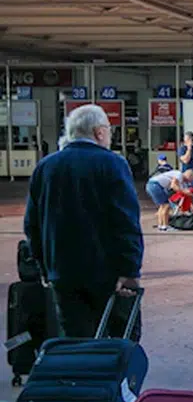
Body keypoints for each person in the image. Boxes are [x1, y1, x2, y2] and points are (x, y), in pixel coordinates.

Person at [24, 105, 142, 338]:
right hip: (106, 272)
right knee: (121, 339)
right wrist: (130, 268)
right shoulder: (112, 164)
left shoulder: (46, 166)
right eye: (109, 130)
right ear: (99, 132)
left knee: (75, 339)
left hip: (62, 272)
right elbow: (126, 221)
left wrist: (44, 268)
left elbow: (32, 225)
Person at [146, 166, 187, 232]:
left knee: (162, 206)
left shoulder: (178, 177)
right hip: (156, 185)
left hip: (151, 184)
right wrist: (183, 192)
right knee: (166, 206)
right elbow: (173, 186)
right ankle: (166, 226)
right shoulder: (179, 174)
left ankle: (161, 226)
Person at [179, 131, 193, 211]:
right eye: (187, 138)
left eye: (191, 139)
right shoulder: (182, 148)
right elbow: (185, 160)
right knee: (189, 192)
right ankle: (187, 209)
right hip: (188, 174)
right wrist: (189, 149)